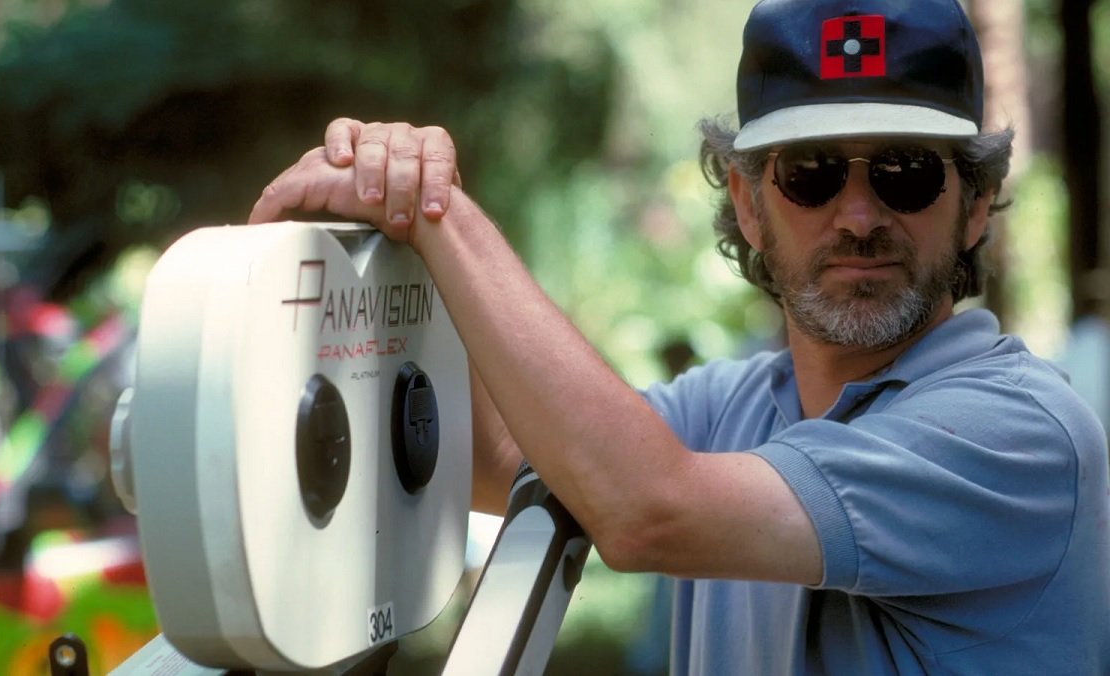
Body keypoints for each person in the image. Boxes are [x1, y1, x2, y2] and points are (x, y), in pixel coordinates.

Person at [249, 0, 1110, 673]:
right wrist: (348, 261)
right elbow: (512, 452)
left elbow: (645, 509)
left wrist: (432, 211)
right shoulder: (741, 407)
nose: (858, 216)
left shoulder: (1019, 432)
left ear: (975, 206)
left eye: (906, 172)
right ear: (747, 203)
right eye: (809, 175)